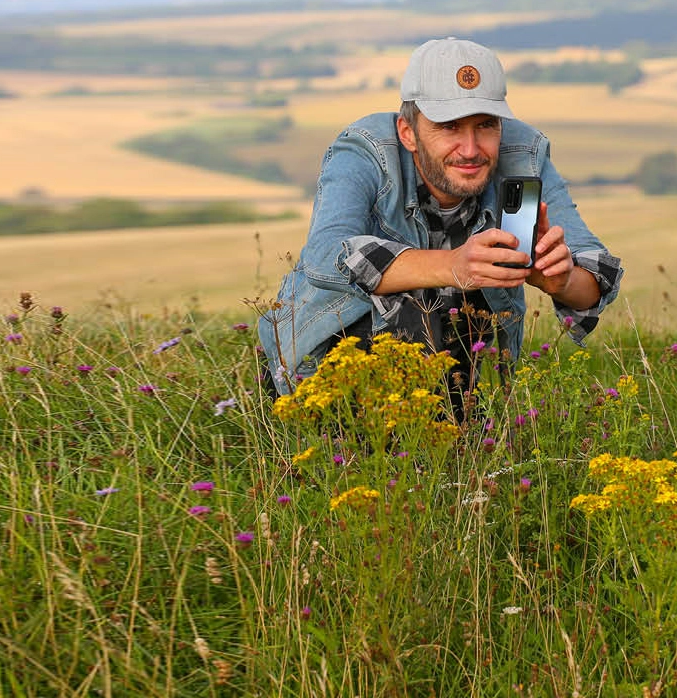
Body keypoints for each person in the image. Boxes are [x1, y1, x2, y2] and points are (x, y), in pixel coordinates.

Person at [258, 37, 621, 417]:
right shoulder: (364, 150)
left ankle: (463, 428)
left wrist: (561, 280)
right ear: (407, 132)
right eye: (449, 127)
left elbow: (596, 271)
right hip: (323, 365)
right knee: (413, 300)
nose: (471, 149)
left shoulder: (523, 152)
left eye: (486, 125)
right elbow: (324, 256)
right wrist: (452, 266)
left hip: (467, 370)